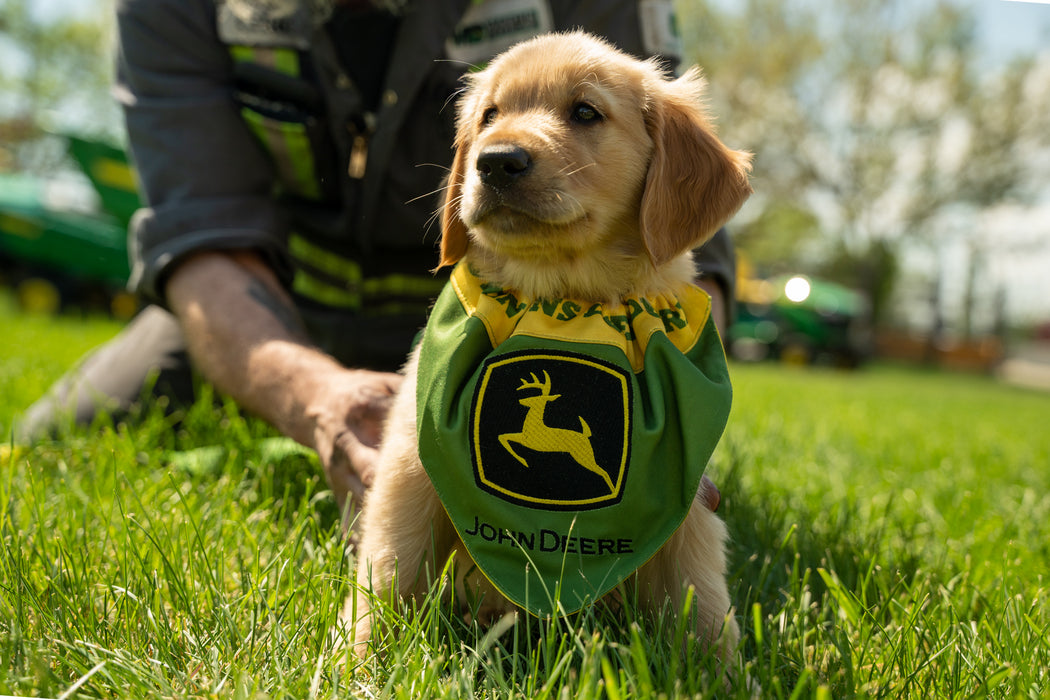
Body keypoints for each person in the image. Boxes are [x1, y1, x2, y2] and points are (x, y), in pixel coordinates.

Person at [18, 0, 737, 517]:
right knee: (49, 445)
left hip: (508, 313)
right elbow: (201, 237)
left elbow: (677, 197)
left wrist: (671, 404)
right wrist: (316, 399)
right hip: (268, 311)